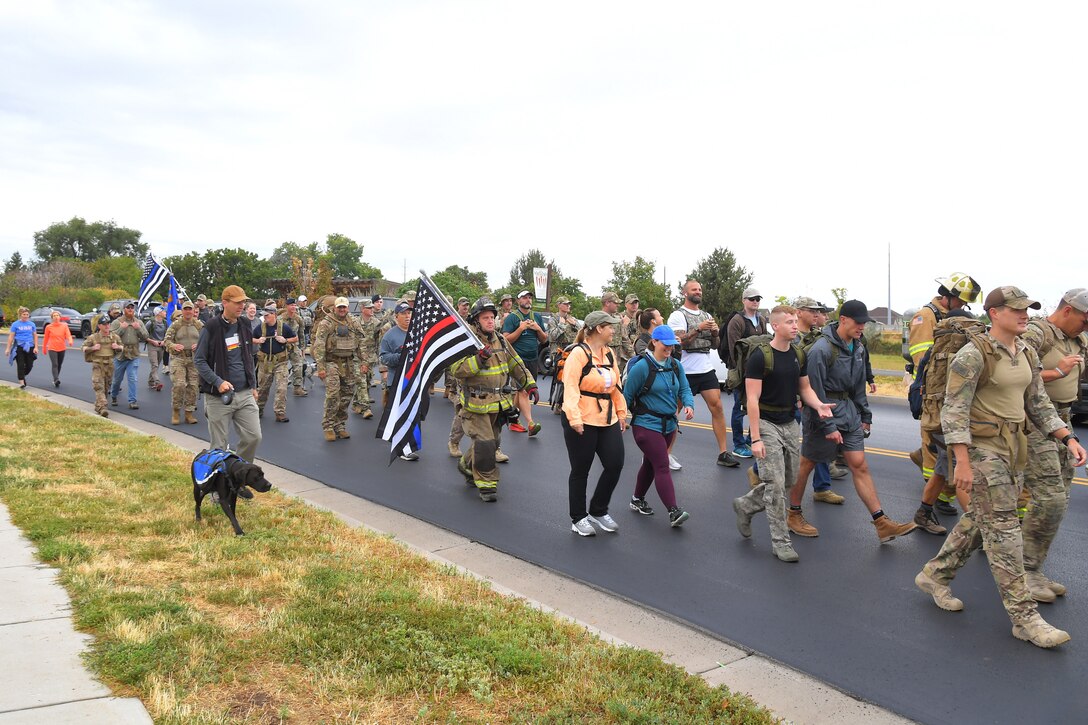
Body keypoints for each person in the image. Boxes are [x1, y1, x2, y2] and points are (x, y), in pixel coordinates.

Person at [915, 286, 1086, 648]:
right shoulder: (971, 355)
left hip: (1014, 447)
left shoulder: (1024, 351)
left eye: (1027, 309)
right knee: (1005, 531)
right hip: (981, 450)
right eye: (1016, 309)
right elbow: (953, 411)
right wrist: (961, 462)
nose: (1025, 314)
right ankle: (1024, 618)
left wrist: (1066, 437)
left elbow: (1038, 403)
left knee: (981, 517)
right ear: (994, 313)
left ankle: (934, 574)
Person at [787, 300, 917, 542]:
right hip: (823, 415)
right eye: (858, 323)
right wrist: (829, 426)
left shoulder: (857, 347)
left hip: (849, 414)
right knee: (807, 465)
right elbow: (814, 393)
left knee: (860, 465)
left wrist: (865, 415)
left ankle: (881, 522)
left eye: (864, 324)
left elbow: (858, 387)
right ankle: (793, 513)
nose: (862, 328)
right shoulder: (820, 350)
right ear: (844, 319)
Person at [732, 306, 835, 562]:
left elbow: (805, 387)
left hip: (790, 423)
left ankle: (746, 505)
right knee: (776, 487)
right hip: (766, 423)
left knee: (789, 480)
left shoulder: (798, 354)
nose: (793, 325)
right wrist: (754, 438)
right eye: (788, 321)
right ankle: (781, 542)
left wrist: (818, 404)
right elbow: (752, 400)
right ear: (775, 326)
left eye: (794, 321)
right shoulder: (760, 357)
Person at [1018, 288, 1088, 601]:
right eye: (1085, 319)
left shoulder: (1078, 339)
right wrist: (1057, 371)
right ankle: (1025, 571)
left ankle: (1033, 568)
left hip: (1063, 418)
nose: (1086, 326)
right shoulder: (1036, 333)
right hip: (1034, 420)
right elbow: (1016, 371)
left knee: (1059, 499)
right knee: (1049, 499)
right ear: (1069, 309)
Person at [908, 273, 983, 520]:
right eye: (959, 302)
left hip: (947, 387)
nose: (962, 307)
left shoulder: (952, 317)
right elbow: (922, 357)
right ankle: (939, 499)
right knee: (935, 448)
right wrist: (933, 392)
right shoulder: (926, 316)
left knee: (941, 450)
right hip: (929, 389)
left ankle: (933, 500)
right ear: (947, 296)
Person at [449, 298, 538, 502]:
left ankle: (465, 465)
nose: (490, 321)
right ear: (475, 320)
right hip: (475, 403)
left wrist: (529, 384)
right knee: (486, 444)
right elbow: (457, 370)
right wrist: (478, 359)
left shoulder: (500, 339)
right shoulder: (467, 341)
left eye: (492, 317)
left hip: (498, 402)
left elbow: (516, 363)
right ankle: (487, 485)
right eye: (485, 318)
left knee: (490, 441)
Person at [562, 311, 628, 536]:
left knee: (615, 463)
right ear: (599, 328)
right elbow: (570, 387)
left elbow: (616, 387)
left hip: (606, 418)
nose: (613, 331)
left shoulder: (609, 353)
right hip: (581, 417)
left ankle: (598, 510)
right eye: (611, 327)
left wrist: (621, 413)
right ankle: (578, 518)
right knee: (581, 469)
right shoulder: (578, 354)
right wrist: (574, 418)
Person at [624, 325, 694, 527]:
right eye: (666, 344)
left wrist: (688, 404)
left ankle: (637, 499)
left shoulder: (674, 365)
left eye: (672, 345)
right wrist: (621, 419)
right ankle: (674, 511)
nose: (669, 349)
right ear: (654, 342)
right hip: (646, 425)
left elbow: (685, 388)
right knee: (662, 465)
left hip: (668, 426)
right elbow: (626, 397)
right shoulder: (641, 367)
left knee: (650, 464)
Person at [668, 280, 737, 468]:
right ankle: (665, 454)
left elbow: (714, 345)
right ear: (685, 293)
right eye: (694, 289)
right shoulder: (678, 315)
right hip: (685, 370)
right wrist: (699, 328)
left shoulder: (706, 315)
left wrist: (715, 333)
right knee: (673, 412)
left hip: (705, 369)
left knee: (718, 407)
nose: (698, 292)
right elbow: (677, 342)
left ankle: (723, 453)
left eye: (700, 289)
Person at [194, 285, 262, 464]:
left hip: (245, 393)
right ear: (225, 303)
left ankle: (238, 474)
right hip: (219, 397)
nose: (242, 306)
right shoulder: (211, 327)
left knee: (253, 437)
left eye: (244, 302)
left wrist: (253, 385)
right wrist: (217, 382)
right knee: (219, 447)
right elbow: (199, 360)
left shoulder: (245, 324)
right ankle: (218, 487)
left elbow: (248, 357)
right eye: (238, 302)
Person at [313, 297, 365, 441]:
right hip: (331, 362)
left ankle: (340, 425)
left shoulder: (353, 322)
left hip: (348, 362)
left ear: (348, 308)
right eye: (339, 307)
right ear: (335, 308)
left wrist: (364, 361)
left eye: (344, 307)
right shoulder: (326, 323)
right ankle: (328, 426)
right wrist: (320, 367)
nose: (342, 310)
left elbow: (361, 342)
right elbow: (319, 345)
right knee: (333, 394)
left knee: (347, 394)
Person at [725, 287, 768, 459]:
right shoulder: (737, 321)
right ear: (744, 301)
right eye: (751, 299)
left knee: (756, 406)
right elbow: (734, 349)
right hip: (741, 372)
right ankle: (738, 444)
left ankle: (751, 439)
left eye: (758, 298)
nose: (755, 301)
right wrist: (743, 374)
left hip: (758, 372)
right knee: (739, 408)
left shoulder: (762, 320)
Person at [501, 290, 546, 435]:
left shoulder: (537, 317)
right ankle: (531, 423)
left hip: (533, 359)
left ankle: (512, 420)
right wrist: (520, 329)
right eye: (524, 298)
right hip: (517, 360)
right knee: (524, 392)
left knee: (520, 393)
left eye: (529, 298)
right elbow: (505, 340)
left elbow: (544, 339)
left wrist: (538, 328)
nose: (528, 300)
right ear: (518, 301)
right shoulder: (512, 318)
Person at [253, 305, 296, 423]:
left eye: (267, 315)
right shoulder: (260, 328)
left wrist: (285, 340)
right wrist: (258, 340)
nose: (265, 318)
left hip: (280, 362)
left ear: (274, 315)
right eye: (264, 315)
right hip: (265, 363)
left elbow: (295, 338)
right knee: (262, 389)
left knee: (282, 388)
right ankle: (258, 410)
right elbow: (250, 338)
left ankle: (280, 413)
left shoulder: (283, 327)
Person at [164, 299, 204, 425]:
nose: (188, 312)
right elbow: (166, 341)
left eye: (190, 309)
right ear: (182, 311)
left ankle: (189, 413)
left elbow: (207, 341)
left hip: (193, 359)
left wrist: (198, 345)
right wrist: (174, 346)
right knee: (179, 384)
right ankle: (176, 411)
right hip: (178, 358)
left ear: (193, 311)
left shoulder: (198, 325)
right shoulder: (176, 325)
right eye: (185, 309)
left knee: (193, 386)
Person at [109, 301, 149, 410]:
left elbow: (146, 336)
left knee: (132, 378)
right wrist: (122, 328)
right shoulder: (118, 322)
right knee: (117, 379)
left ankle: (132, 401)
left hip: (134, 354)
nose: (130, 310)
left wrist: (138, 328)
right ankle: (113, 395)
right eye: (128, 308)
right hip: (120, 354)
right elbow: (110, 336)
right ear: (124, 309)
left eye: (132, 308)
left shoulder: (138, 322)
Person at [82, 316, 122, 416]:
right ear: (99, 326)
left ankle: (98, 405)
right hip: (98, 364)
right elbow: (83, 348)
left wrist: (117, 347)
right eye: (104, 324)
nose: (107, 326)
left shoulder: (114, 337)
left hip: (110, 364)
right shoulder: (93, 337)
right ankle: (103, 407)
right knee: (98, 385)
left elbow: (122, 347)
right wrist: (93, 348)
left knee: (106, 387)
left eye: (108, 324)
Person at [351, 297, 380, 420]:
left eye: (372, 308)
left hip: (370, 357)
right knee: (361, 381)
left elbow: (378, 341)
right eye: (369, 308)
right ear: (362, 309)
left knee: (367, 381)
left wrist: (378, 356)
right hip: (357, 357)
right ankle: (366, 408)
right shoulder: (355, 322)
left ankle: (356, 403)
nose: (371, 310)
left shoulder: (376, 323)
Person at [279, 297, 307, 397]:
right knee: (282, 367)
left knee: (298, 366)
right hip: (282, 346)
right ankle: (281, 386)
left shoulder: (298, 319)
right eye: (291, 305)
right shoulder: (281, 319)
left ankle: (297, 388)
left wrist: (302, 348)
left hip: (294, 346)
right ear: (287, 306)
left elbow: (301, 334)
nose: (293, 307)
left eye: (295, 305)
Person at [601, 291, 635, 371]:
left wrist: (634, 356)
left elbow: (624, 339)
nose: (618, 305)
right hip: (603, 357)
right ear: (607, 303)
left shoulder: (618, 318)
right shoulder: (598, 319)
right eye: (615, 303)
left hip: (619, 359)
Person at [5, 306, 38, 388]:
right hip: (18, 347)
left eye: (27, 314)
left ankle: (22, 376)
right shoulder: (15, 324)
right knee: (20, 364)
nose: (26, 316)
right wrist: (8, 348)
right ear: (20, 315)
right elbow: (11, 337)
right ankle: (22, 383)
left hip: (30, 346)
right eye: (24, 314)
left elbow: (35, 336)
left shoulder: (32, 324)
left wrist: (36, 347)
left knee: (29, 365)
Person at [43, 309, 74, 387]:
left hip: (62, 348)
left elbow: (68, 334)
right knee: (55, 364)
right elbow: (46, 338)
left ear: (60, 317)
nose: (56, 317)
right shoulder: (49, 327)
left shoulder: (64, 325)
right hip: (52, 348)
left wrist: (70, 341)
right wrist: (44, 347)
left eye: (57, 315)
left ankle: (55, 379)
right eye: (54, 316)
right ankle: (56, 379)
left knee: (59, 364)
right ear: (52, 318)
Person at [144, 307, 167, 391]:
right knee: (155, 365)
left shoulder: (165, 323)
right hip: (152, 346)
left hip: (161, 346)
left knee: (156, 366)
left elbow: (168, 334)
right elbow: (144, 335)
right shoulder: (150, 323)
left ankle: (150, 382)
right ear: (158, 313)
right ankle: (157, 382)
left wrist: (164, 341)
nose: (165, 312)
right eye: (164, 311)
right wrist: (152, 341)